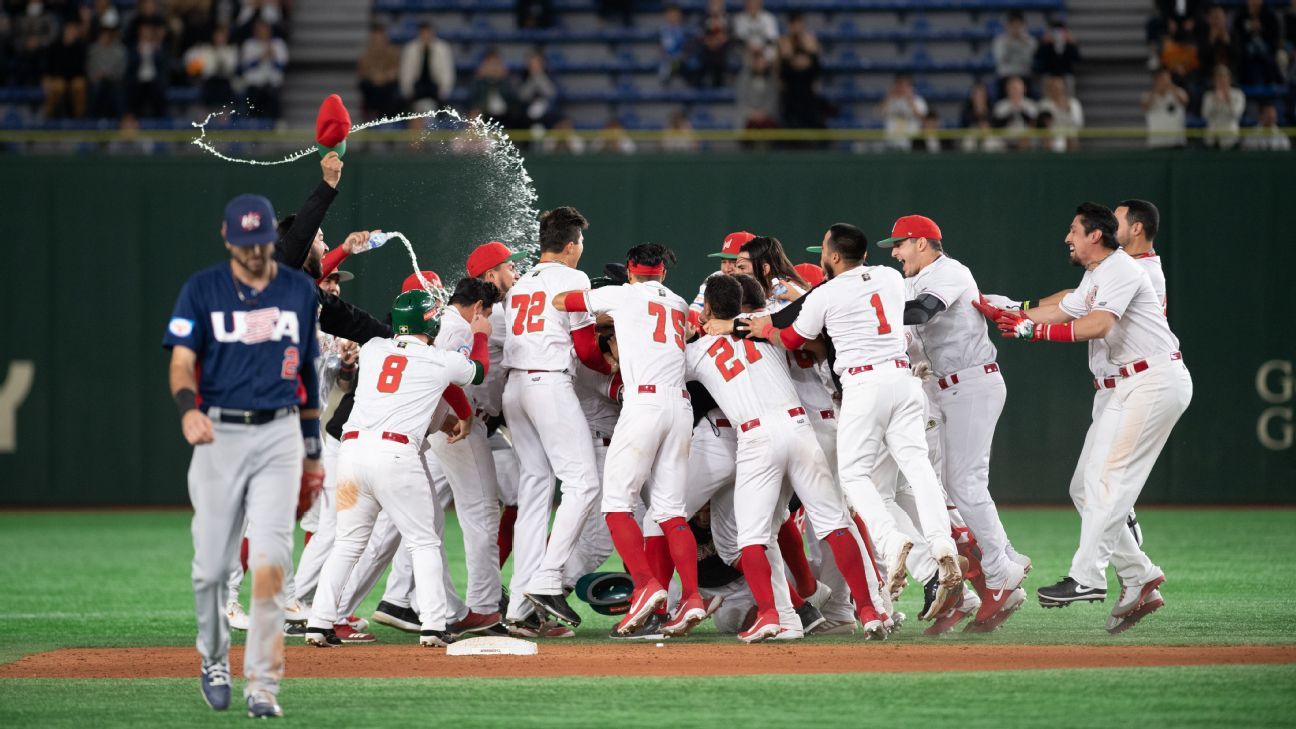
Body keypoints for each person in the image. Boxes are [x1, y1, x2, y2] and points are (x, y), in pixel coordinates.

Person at [976, 203, 1190, 633]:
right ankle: (1139, 576)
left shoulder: (1127, 270)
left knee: (1108, 481)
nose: (1067, 237)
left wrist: (1034, 329)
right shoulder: (1101, 272)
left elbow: (1097, 325)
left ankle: (1088, 579)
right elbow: (1067, 308)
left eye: (1073, 230)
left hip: (1153, 379)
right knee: (1084, 487)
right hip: (1130, 383)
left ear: (1096, 235)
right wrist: (1012, 312)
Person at [731, 224, 965, 618]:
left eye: (824, 248)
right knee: (919, 467)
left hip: (864, 384)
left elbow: (791, 338)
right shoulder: (891, 277)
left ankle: (891, 542)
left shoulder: (828, 290)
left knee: (855, 478)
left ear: (834, 256)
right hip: (904, 380)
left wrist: (762, 326)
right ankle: (942, 544)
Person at [164, 194, 322, 718]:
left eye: (262, 243)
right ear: (228, 238)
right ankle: (213, 659)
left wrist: (313, 452)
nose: (255, 253)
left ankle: (263, 683)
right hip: (220, 433)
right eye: (245, 243)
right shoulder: (202, 290)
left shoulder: (298, 290)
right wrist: (188, 406)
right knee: (210, 569)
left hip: (279, 434)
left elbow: (308, 375)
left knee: (272, 564)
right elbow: (183, 361)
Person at [693, 275, 893, 641]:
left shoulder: (697, 351)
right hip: (799, 430)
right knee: (834, 522)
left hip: (755, 439)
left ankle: (774, 615)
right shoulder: (766, 327)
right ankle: (869, 610)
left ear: (707, 308)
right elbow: (801, 328)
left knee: (752, 536)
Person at [305, 288, 491, 649]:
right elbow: (478, 373)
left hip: (352, 454)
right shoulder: (440, 359)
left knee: (346, 544)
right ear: (429, 320)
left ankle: (318, 622)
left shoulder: (374, 347)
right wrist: (481, 333)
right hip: (395, 456)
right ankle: (435, 625)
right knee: (424, 541)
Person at [877, 214, 1028, 629]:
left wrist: (867, 310)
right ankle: (984, 579)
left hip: (972, 382)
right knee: (940, 490)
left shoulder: (950, 271)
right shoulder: (906, 283)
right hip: (938, 389)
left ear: (922, 243)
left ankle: (1002, 568)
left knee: (966, 482)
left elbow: (922, 312)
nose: (894, 253)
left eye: (900, 244)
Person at [551, 243, 709, 637]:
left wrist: (604, 312)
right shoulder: (676, 301)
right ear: (663, 273)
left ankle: (646, 585)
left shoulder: (622, 293)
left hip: (645, 404)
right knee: (672, 511)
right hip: (680, 406)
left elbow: (560, 300)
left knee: (617, 504)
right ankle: (690, 596)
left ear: (631, 270)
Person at [500, 207, 610, 630]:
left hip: (516, 389)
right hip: (548, 383)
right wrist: (615, 369)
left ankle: (518, 610)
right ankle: (546, 581)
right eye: (580, 242)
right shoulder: (573, 279)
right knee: (583, 483)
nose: (582, 250)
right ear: (570, 245)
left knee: (535, 492)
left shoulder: (523, 282)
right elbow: (585, 350)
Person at [425, 276, 508, 633]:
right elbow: (461, 378)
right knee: (482, 513)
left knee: (425, 526)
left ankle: (446, 608)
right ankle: (485, 607)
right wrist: (483, 334)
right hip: (454, 428)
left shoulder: (441, 320)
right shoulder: (461, 330)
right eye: (486, 311)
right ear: (478, 307)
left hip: (433, 428)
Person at [777, 12, 822, 130]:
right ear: (789, 26)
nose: (796, 27)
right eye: (794, 24)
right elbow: (782, 72)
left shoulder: (810, 42)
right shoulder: (784, 43)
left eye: (799, 24)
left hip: (807, 93)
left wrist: (811, 54)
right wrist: (791, 59)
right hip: (790, 94)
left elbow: (816, 70)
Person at [399, 22, 455, 113]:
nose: (426, 36)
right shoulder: (410, 48)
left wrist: (444, 91)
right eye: (423, 33)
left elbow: (447, 72)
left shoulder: (443, 48)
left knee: (442, 105)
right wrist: (407, 91)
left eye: (428, 32)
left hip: (435, 85)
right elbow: (406, 72)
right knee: (406, 105)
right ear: (419, 33)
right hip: (417, 85)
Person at [240, 19, 287, 119]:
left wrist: (273, 56)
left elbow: (282, 66)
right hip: (254, 86)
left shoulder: (278, 44)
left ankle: (276, 124)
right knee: (253, 109)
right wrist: (260, 58)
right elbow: (245, 66)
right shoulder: (249, 45)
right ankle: (252, 125)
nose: (263, 32)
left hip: (272, 86)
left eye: (265, 30)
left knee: (273, 106)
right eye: (260, 30)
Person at [184, 25, 238, 109]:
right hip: (209, 83)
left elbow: (230, 68)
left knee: (225, 92)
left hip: (225, 83)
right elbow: (191, 60)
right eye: (217, 36)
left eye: (222, 36)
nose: (219, 38)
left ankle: (224, 117)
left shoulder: (231, 51)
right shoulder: (206, 50)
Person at [357, 25, 402, 119]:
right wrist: (374, 77)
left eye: (380, 37)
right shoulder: (366, 54)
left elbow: (396, 71)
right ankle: (372, 114)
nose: (378, 40)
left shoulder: (393, 52)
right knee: (365, 85)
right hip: (372, 86)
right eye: (376, 38)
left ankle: (386, 116)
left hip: (387, 86)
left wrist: (383, 77)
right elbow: (363, 72)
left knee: (393, 88)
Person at [87, 24, 127, 118]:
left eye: (107, 35)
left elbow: (121, 70)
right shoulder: (93, 50)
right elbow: (89, 69)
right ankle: (92, 119)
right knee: (97, 87)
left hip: (114, 80)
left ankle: (119, 118)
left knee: (116, 88)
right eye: (103, 35)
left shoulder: (119, 50)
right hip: (97, 80)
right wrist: (97, 76)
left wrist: (108, 74)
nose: (105, 37)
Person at [1201, 64, 1245, 149]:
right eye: (1218, 78)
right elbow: (1205, 115)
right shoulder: (1208, 96)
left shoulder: (1238, 94)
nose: (1221, 80)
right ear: (1214, 80)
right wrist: (1215, 101)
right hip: (1212, 139)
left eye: (1224, 77)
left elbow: (1237, 114)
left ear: (1229, 78)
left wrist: (1229, 100)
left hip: (1231, 139)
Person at [880, 74, 927, 151]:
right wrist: (888, 97)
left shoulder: (918, 100)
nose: (901, 88)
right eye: (898, 85)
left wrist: (910, 101)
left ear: (910, 87)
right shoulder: (890, 101)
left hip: (911, 143)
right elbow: (881, 113)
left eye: (904, 85)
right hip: (891, 143)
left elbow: (922, 118)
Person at [992, 10, 1037, 93]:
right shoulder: (1000, 41)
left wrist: (1023, 44)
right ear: (1008, 26)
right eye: (1013, 25)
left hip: (1024, 75)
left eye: (1018, 25)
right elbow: (1000, 60)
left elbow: (1029, 61)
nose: (1016, 28)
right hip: (1006, 76)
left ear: (1023, 25)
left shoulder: (1030, 41)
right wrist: (1008, 43)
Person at [1142, 69, 1188, 148]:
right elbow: (1145, 106)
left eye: (1165, 79)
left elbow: (1184, 101)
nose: (1163, 82)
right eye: (1160, 79)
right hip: (1156, 142)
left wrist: (1171, 86)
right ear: (1155, 81)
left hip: (1176, 142)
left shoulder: (1179, 92)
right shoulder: (1147, 96)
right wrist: (1156, 91)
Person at [1038, 74, 1083, 152]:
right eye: (1054, 88)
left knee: (1072, 140)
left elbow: (1078, 124)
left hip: (1070, 140)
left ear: (1064, 88)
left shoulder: (1074, 104)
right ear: (1049, 89)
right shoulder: (1044, 105)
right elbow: (1041, 126)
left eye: (1059, 88)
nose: (1057, 90)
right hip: (1051, 140)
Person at [992, 76, 1038, 149]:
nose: (1015, 91)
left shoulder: (1030, 105)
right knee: (992, 142)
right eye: (1012, 88)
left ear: (1024, 89)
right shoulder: (1000, 106)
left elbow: (1034, 125)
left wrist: (1025, 138)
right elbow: (997, 127)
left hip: (1026, 140)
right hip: (1005, 141)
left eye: (1017, 88)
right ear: (1007, 89)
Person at [516, 50, 558, 129]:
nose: (534, 65)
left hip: (546, 114)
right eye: (532, 62)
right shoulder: (523, 77)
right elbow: (522, 96)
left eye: (537, 62)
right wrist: (533, 78)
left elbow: (551, 93)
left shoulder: (549, 76)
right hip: (526, 115)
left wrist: (539, 75)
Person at [696, 0, 731, 88]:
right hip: (706, 51)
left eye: (718, 4)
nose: (716, 7)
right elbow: (699, 35)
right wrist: (709, 41)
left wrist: (721, 40)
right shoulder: (703, 18)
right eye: (713, 3)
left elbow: (731, 34)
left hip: (722, 52)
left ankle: (719, 85)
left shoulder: (727, 19)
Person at [1034, 20, 1080, 87]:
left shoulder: (1069, 45)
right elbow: (1038, 57)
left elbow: (1077, 59)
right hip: (1050, 73)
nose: (1058, 35)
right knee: (1045, 79)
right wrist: (1043, 43)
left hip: (1065, 73)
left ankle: (1069, 97)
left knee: (1069, 80)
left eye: (1061, 32)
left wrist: (1073, 44)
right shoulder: (1047, 45)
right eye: (1055, 32)